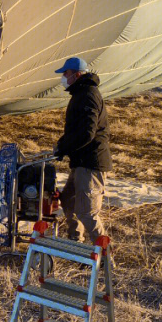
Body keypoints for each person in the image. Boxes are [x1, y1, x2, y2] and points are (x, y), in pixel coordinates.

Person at [52, 56, 111, 246]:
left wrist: (65, 147)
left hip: (90, 163)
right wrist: (62, 144)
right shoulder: (80, 93)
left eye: (66, 74)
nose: (63, 77)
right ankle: (75, 241)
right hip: (80, 162)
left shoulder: (88, 94)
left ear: (76, 75)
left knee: (87, 211)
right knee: (68, 200)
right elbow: (75, 129)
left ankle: (105, 258)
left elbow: (87, 133)